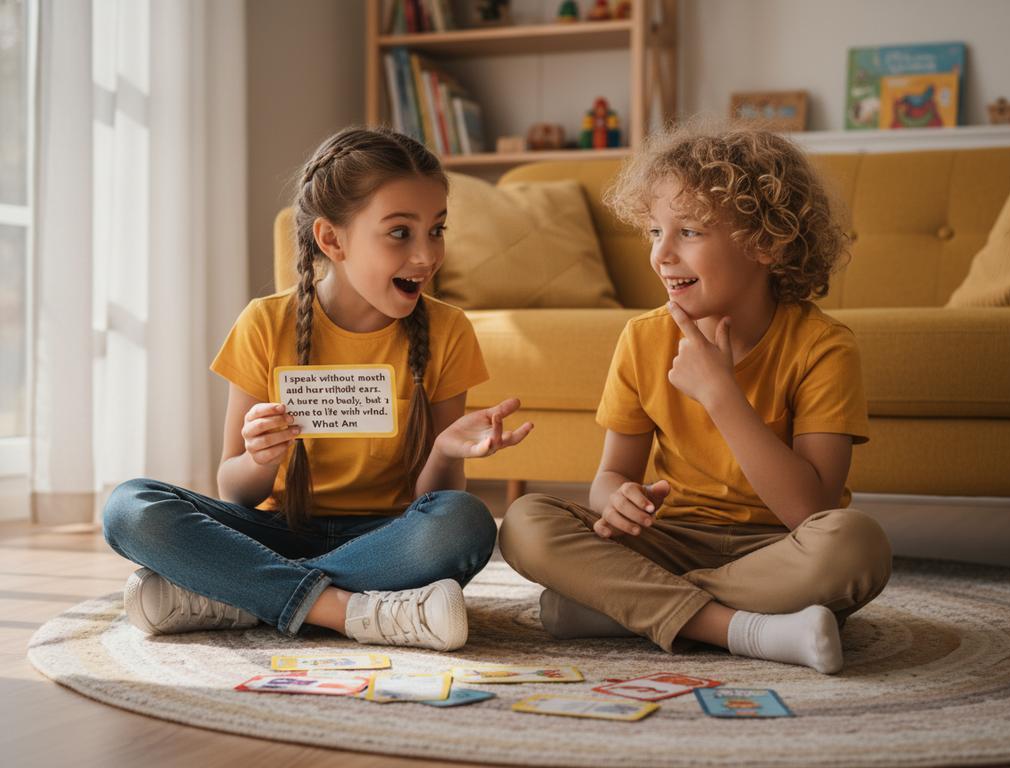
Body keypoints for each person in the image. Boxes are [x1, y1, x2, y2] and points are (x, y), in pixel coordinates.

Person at [103, 127, 532, 652]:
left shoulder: (448, 331)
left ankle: (240, 595)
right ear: (332, 240)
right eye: (400, 233)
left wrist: (445, 450)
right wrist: (261, 456)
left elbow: (434, 503)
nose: (426, 255)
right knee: (129, 507)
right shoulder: (264, 323)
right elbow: (235, 492)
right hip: (276, 528)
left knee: (465, 522)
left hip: (387, 540)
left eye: (437, 230)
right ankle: (347, 609)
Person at [498, 124, 892, 674]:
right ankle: (742, 627)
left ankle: (623, 605)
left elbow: (812, 511)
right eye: (655, 230)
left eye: (689, 232)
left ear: (767, 241)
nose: (661, 254)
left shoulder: (824, 348)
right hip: (670, 539)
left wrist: (721, 394)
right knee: (524, 521)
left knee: (857, 545)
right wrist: (618, 500)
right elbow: (610, 476)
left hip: (777, 550)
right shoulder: (643, 338)